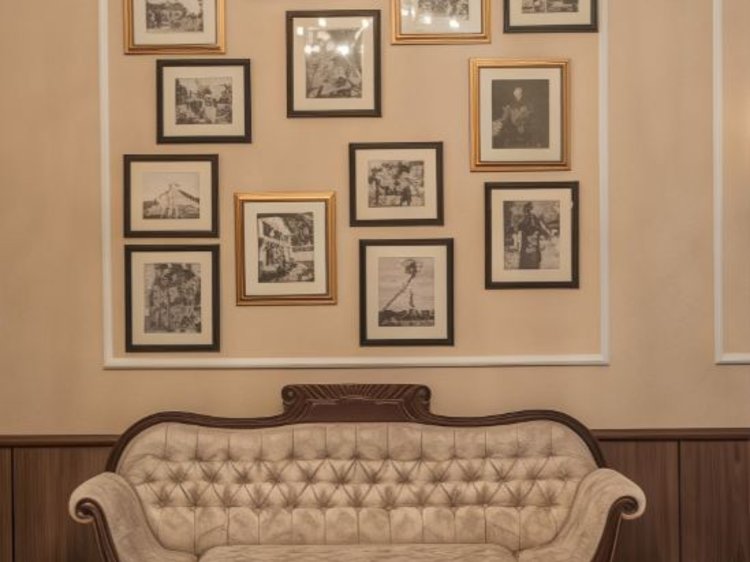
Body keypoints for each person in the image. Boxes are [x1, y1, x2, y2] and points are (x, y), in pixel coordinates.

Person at [516, 202, 552, 269]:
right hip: (529, 246)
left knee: (530, 261)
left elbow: (541, 228)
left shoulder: (531, 218)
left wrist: (545, 233)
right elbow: (520, 228)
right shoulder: (527, 219)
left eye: (529, 209)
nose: (529, 212)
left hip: (531, 247)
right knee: (529, 261)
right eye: (528, 210)